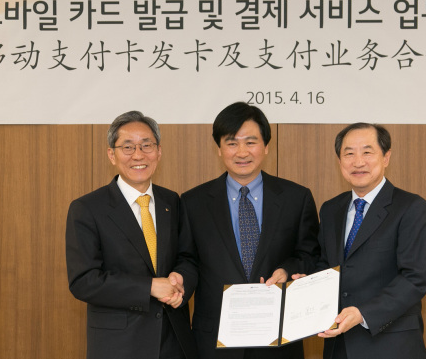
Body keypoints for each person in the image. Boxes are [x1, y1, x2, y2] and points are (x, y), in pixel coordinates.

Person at [175, 102, 320, 359]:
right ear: (219, 149)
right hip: (214, 341)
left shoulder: (296, 198)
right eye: (232, 143)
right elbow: (188, 259)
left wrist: (287, 269)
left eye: (250, 142)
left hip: (278, 339)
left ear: (266, 146)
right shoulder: (193, 202)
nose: (241, 152)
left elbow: (310, 254)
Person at [65, 111, 197, 359]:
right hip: (119, 345)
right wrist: (149, 287)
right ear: (111, 154)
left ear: (158, 152)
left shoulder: (172, 201)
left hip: (173, 343)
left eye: (147, 145)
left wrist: (181, 281)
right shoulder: (88, 208)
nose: (138, 155)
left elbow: (187, 256)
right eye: (128, 147)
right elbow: (83, 281)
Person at [315, 123, 426, 359]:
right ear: (339, 161)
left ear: (386, 157)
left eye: (367, 152)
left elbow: (415, 279)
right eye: (349, 153)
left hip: (391, 345)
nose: (358, 162)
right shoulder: (331, 210)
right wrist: (308, 281)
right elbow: (326, 264)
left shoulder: (411, 208)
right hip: (338, 346)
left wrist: (362, 313)